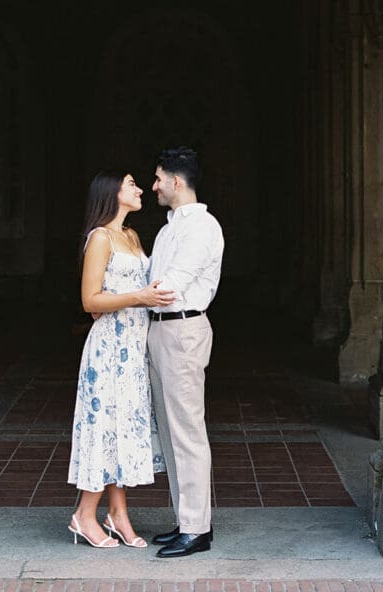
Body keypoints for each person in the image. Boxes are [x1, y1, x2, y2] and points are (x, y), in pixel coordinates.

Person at [67, 170, 175, 549]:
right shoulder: (100, 238)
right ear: (113, 192)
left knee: (125, 430)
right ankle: (84, 514)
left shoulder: (130, 236)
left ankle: (118, 514)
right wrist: (139, 298)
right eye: (131, 184)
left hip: (133, 346)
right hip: (109, 348)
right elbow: (90, 300)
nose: (140, 189)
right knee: (106, 428)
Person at [147, 146, 224, 558]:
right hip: (159, 331)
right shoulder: (167, 228)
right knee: (171, 428)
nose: (153, 185)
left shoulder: (202, 227)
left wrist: (123, 297)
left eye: (158, 178)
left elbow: (168, 286)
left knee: (188, 430)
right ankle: (186, 519)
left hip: (183, 329)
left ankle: (197, 528)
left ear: (177, 182)